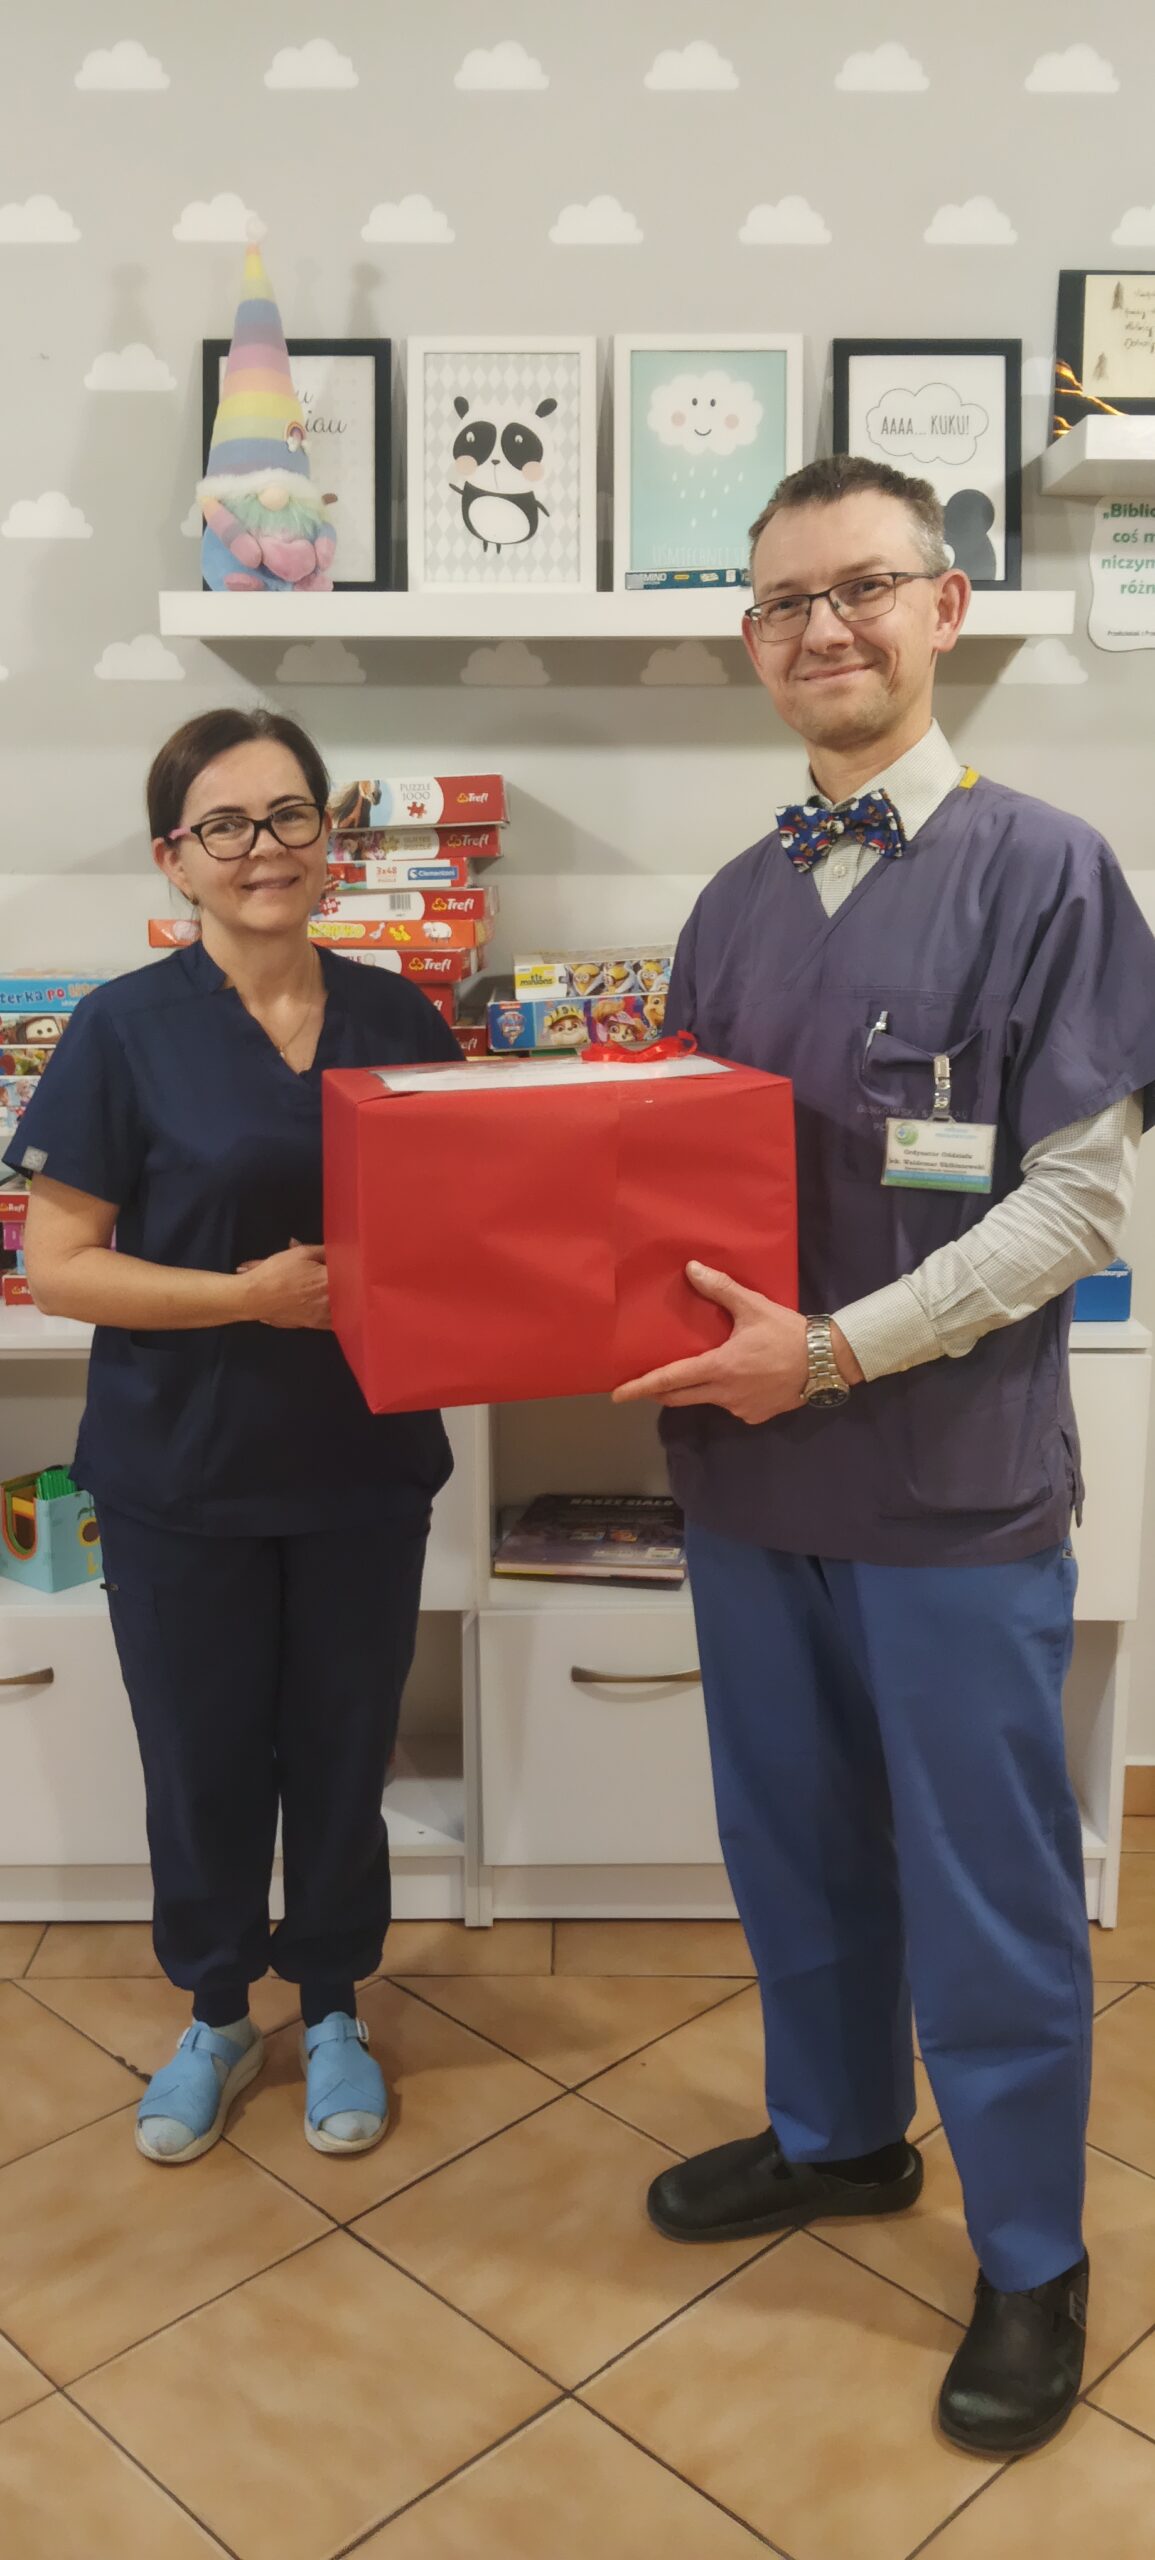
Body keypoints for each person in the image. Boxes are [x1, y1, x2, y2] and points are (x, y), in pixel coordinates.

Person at [616, 454, 1155, 2456]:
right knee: (794, 1845)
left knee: (986, 1886)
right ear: (749, 642)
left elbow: (1076, 1207)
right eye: (780, 602)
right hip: (749, 1487)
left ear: (943, 606)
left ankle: (1029, 2255)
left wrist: (831, 1350)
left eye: (858, 587)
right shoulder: (728, 906)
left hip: (946, 1493)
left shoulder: (1048, 873)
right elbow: (663, 1193)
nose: (818, 628)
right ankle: (838, 2135)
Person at [10, 708, 460, 2164]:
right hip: (180, 1476)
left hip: (362, 1471)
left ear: (331, 837)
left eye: (289, 816)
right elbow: (58, 1268)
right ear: (175, 857)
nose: (262, 849)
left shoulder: (401, 1021)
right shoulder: (122, 1030)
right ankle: (214, 2012)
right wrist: (246, 1298)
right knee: (201, 1761)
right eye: (225, 825)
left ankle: (330, 2007)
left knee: (341, 1752)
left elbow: (467, 1228)